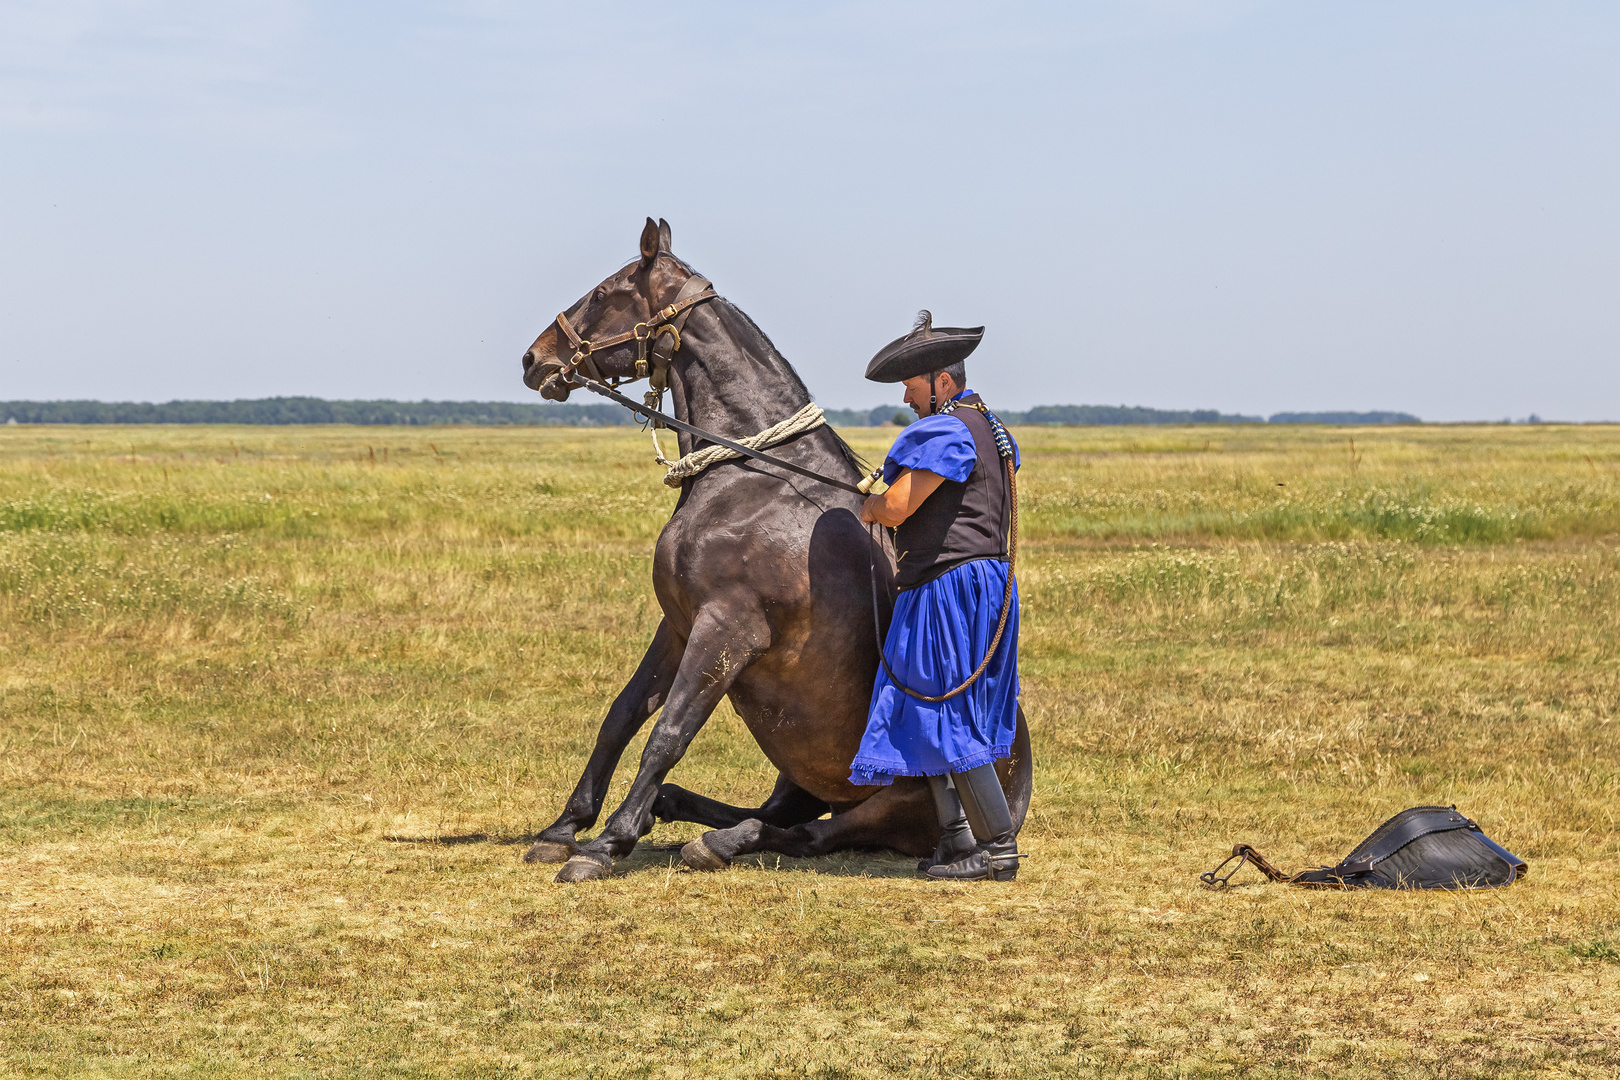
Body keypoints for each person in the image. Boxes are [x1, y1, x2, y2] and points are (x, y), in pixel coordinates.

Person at [850, 311, 1024, 882]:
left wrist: (869, 507)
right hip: (981, 584)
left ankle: (996, 850)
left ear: (942, 382)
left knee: (947, 710)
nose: (906, 394)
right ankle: (955, 838)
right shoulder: (990, 427)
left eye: (912, 384)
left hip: (947, 590)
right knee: (925, 706)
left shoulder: (946, 430)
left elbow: (898, 507)